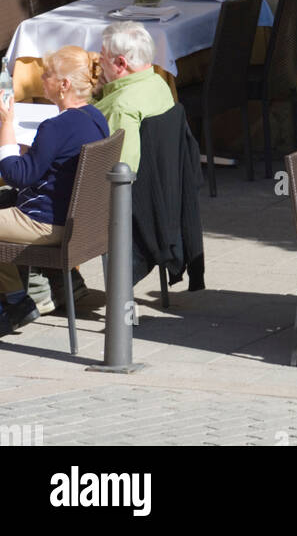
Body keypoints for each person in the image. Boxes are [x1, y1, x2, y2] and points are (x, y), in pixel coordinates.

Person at [0, 45, 109, 335]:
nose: (41, 79)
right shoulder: (96, 118)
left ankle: (15, 303)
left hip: (45, 222)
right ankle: (19, 298)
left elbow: (16, 175)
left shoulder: (55, 126)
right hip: (82, 223)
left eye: (46, 74)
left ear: (64, 85)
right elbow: (54, 163)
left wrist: (7, 125)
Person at [96, 22, 175, 173]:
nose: (99, 64)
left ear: (120, 63)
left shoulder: (120, 108)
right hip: (163, 182)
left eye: (101, 58)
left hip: (128, 192)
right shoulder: (160, 84)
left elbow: (121, 173)